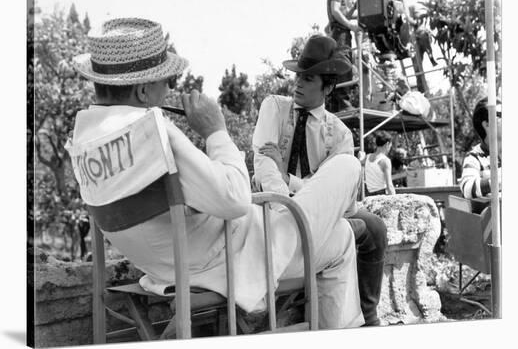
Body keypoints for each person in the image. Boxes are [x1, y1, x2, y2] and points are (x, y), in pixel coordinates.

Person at [66, 18, 364, 330]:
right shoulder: (154, 133)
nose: (170, 88)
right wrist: (215, 131)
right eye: (165, 80)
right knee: (348, 170)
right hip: (236, 261)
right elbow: (236, 199)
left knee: (341, 233)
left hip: (164, 268)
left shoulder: (85, 140)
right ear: (142, 90)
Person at [253, 35, 387, 326]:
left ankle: (370, 316)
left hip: (318, 210)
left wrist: (289, 180)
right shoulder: (274, 107)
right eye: (298, 76)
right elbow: (263, 163)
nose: (298, 83)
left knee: (374, 227)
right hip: (274, 208)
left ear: (327, 86)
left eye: (308, 78)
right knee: (348, 229)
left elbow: (336, 194)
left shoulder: (339, 133)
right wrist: (286, 198)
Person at [459, 97, 502, 199]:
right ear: (487, 124)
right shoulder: (474, 158)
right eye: (501, 115)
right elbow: (467, 189)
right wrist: (499, 181)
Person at [364, 131, 396, 196]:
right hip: (381, 194)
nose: (390, 148)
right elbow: (389, 185)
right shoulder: (385, 161)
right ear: (387, 144)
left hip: (368, 194)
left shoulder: (367, 157)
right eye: (390, 146)